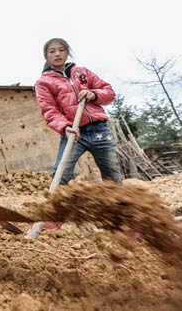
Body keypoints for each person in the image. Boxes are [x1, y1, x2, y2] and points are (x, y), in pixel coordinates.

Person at [35, 38, 123, 228]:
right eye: (52, 51)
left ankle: (120, 218)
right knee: (61, 172)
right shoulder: (44, 82)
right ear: (46, 56)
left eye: (61, 50)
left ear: (67, 53)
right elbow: (49, 110)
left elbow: (109, 91)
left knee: (112, 173)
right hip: (73, 133)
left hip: (99, 130)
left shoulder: (82, 73)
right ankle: (55, 216)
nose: (57, 54)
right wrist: (64, 127)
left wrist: (94, 94)